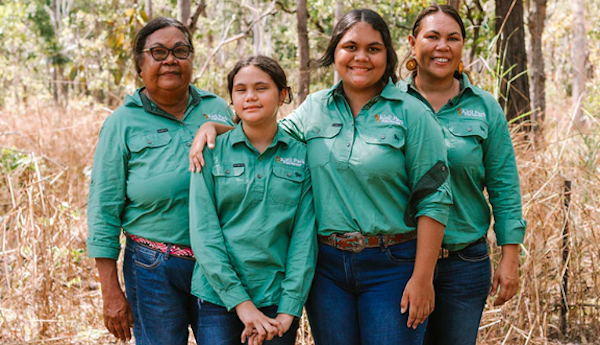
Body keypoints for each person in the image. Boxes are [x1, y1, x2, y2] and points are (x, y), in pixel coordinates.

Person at [189, 9, 452, 344]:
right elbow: (265, 132)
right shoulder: (315, 108)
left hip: (392, 265)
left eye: (373, 48)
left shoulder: (412, 113)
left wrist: (423, 276)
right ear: (335, 53)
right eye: (350, 46)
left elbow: (434, 197)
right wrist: (213, 129)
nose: (361, 57)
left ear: (388, 54)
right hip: (328, 268)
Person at [86, 17, 232, 344]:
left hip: (218, 266)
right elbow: (103, 210)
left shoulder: (218, 109)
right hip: (152, 268)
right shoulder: (121, 123)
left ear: (192, 59)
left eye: (180, 51)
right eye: (158, 52)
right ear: (140, 64)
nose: (170, 60)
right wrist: (110, 292)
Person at [397, 4, 526, 345]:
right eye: (432, 37)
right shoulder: (389, 103)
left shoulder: (484, 107)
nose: (443, 46)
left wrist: (509, 256)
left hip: (465, 261)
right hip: (399, 260)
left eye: (453, 38)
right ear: (413, 43)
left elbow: (503, 185)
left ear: (462, 47)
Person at [189, 55, 317, 345]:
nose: (250, 97)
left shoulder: (303, 156)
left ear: (283, 94)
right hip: (217, 297)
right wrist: (241, 303)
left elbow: (303, 239)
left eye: (261, 88)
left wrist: (289, 308)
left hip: (276, 298)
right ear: (231, 98)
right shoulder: (210, 152)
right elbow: (204, 233)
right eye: (240, 89)